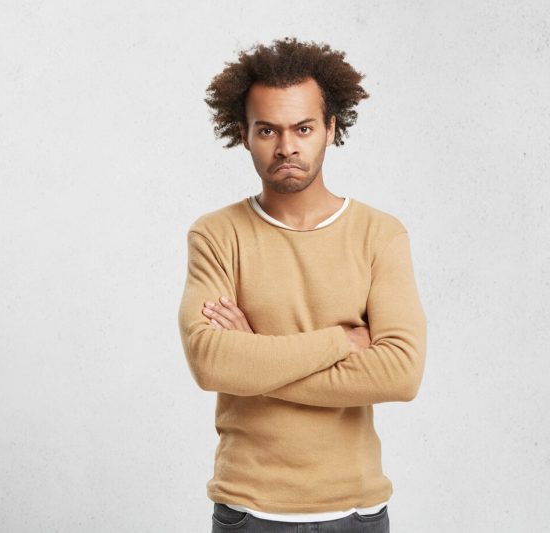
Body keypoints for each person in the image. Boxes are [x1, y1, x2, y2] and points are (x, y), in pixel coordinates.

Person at [177, 37, 427, 532]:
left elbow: (400, 374)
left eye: (304, 128)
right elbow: (210, 362)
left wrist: (255, 357)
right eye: (267, 129)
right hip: (249, 512)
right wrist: (341, 341)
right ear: (243, 134)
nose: (287, 146)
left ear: (330, 129)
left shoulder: (380, 234)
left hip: (357, 512)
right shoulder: (216, 234)